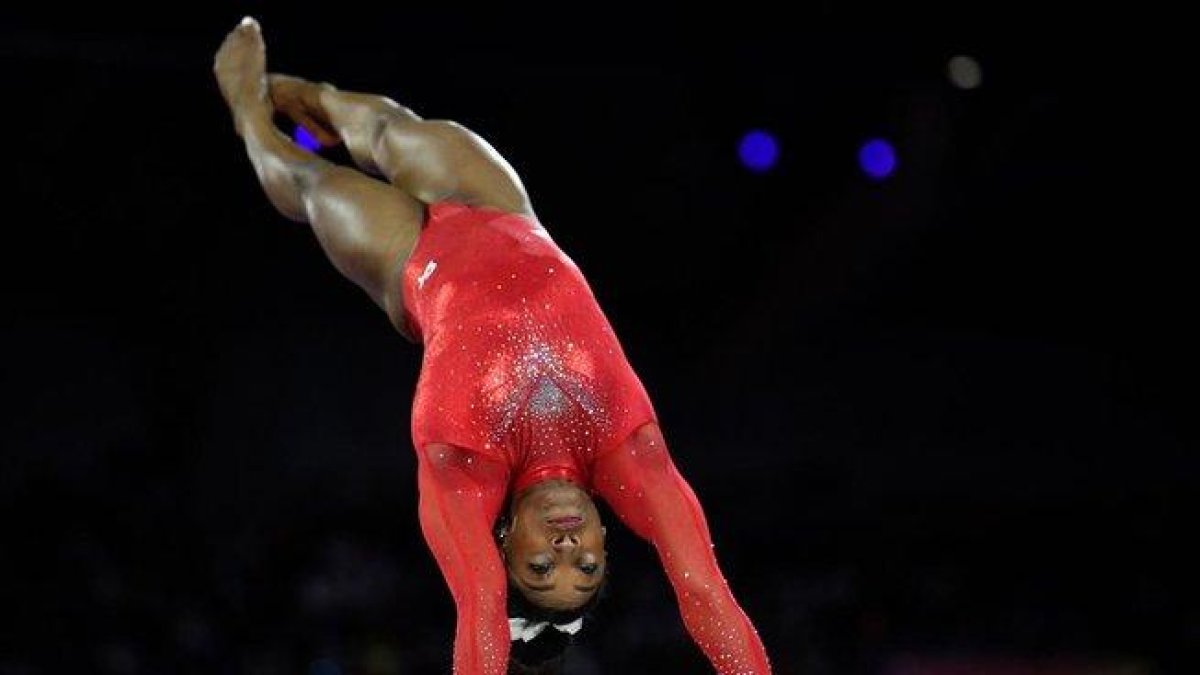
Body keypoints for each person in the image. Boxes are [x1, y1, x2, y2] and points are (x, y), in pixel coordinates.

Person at [213, 16, 772, 675]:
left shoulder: (464, 469)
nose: (566, 545)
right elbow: (705, 594)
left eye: (543, 564)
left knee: (307, 182)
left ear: (504, 544)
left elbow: (479, 614)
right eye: (585, 562)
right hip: (502, 209)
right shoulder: (631, 452)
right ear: (604, 539)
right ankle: (317, 96)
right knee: (388, 125)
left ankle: (247, 110)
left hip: (410, 259)